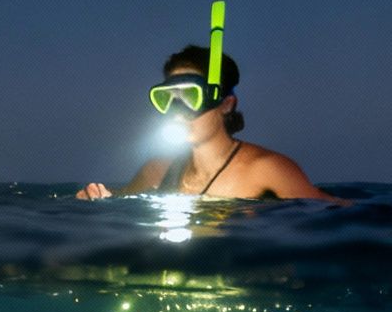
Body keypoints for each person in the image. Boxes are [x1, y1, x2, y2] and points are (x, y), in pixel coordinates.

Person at [75, 46, 348, 203]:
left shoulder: (268, 170)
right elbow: (116, 203)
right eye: (168, 98)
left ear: (226, 104)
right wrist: (94, 199)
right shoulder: (157, 171)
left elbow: (338, 214)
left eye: (190, 96)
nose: (177, 111)